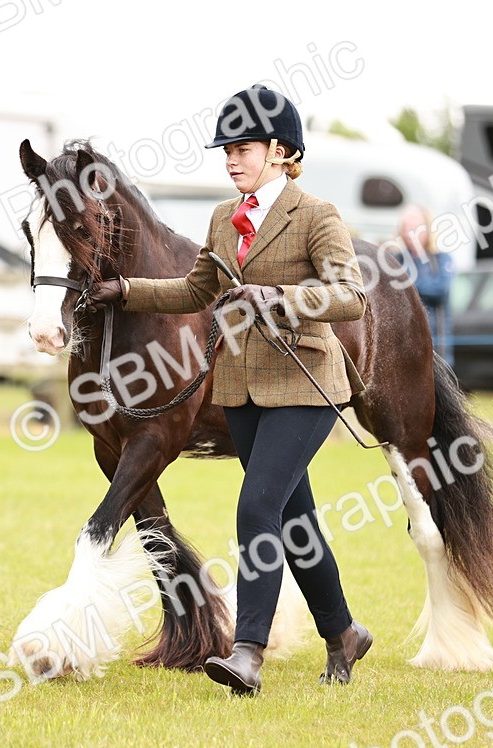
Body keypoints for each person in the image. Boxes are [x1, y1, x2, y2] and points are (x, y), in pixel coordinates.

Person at [86, 85, 372, 696]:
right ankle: (344, 632)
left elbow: (351, 295)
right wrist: (127, 291)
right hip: (242, 387)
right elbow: (195, 291)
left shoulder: (316, 216)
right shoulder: (224, 217)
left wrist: (281, 299)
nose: (231, 159)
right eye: (227, 151)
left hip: (305, 382)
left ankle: (246, 652)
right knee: (297, 521)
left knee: (256, 507)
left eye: (242, 149)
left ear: (280, 151)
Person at [396, 205, 455, 367]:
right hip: (403, 347)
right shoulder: (395, 260)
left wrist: (406, 285)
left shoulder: (441, 259)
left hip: (436, 347)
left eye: (415, 228)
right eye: (406, 228)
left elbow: (440, 289)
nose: (410, 233)